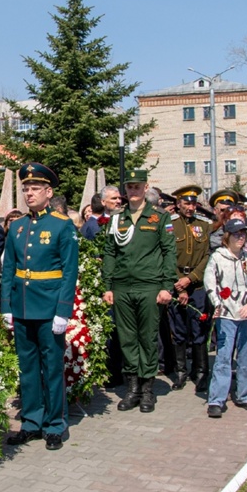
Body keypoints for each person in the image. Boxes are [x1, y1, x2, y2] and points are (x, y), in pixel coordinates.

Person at [1, 164, 79, 450]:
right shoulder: (18, 226)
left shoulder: (62, 225)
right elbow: (8, 267)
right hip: (22, 307)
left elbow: (70, 272)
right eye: (25, 189)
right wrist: (6, 306)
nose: (28, 193)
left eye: (34, 189)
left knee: (52, 368)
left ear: (49, 192)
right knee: (28, 368)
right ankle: (32, 422)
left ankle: (55, 425)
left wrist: (63, 311)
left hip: (49, 309)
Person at [101, 169, 176, 413]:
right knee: (127, 338)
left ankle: (147, 390)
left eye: (137, 186)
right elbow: (110, 253)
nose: (133, 191)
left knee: (148, 337)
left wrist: (167, 286)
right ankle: (132, 388)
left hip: (149, 285)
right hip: (122, 287)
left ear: (146, 188)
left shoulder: (159, 218)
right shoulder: (116, 219)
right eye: (129, 187)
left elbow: (169, 252)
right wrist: (107, 286)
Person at [204, 218, 247, 418]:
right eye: (237, 234)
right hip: (228, 315)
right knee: (223, 357)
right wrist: (217, 302)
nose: (241, 238)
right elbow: (210, 283)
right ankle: (216, 400)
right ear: (227, 236)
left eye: (243, 234)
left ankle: (244, 395)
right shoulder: (218, 258)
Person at [165, 185, 213, 393]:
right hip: (176, 285)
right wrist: (179, 283)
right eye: (186, 203)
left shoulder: (204, 225)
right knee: (179, 331)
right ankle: (181, 372)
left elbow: (207, 256)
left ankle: (201, 371)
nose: (190, 207)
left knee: (199, 330)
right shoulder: (169, 225)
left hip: (198, 284)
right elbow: (165, 255)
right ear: (177, 204)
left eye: (193, 203)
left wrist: (191, 279)